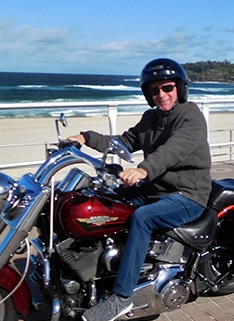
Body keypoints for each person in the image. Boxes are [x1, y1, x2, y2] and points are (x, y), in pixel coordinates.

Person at [68, 58, 212, 321]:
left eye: (167, 88)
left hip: (187, 195)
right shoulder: (150, 118)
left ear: (180, 88)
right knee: (102, 197)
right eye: (154, 90)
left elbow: (173, 151)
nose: (161, 95)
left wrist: (143, 170)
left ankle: (121, 298)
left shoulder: (191, 117)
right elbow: (124, 142)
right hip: (155, 189)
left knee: (142, 218)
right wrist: (85, 137)